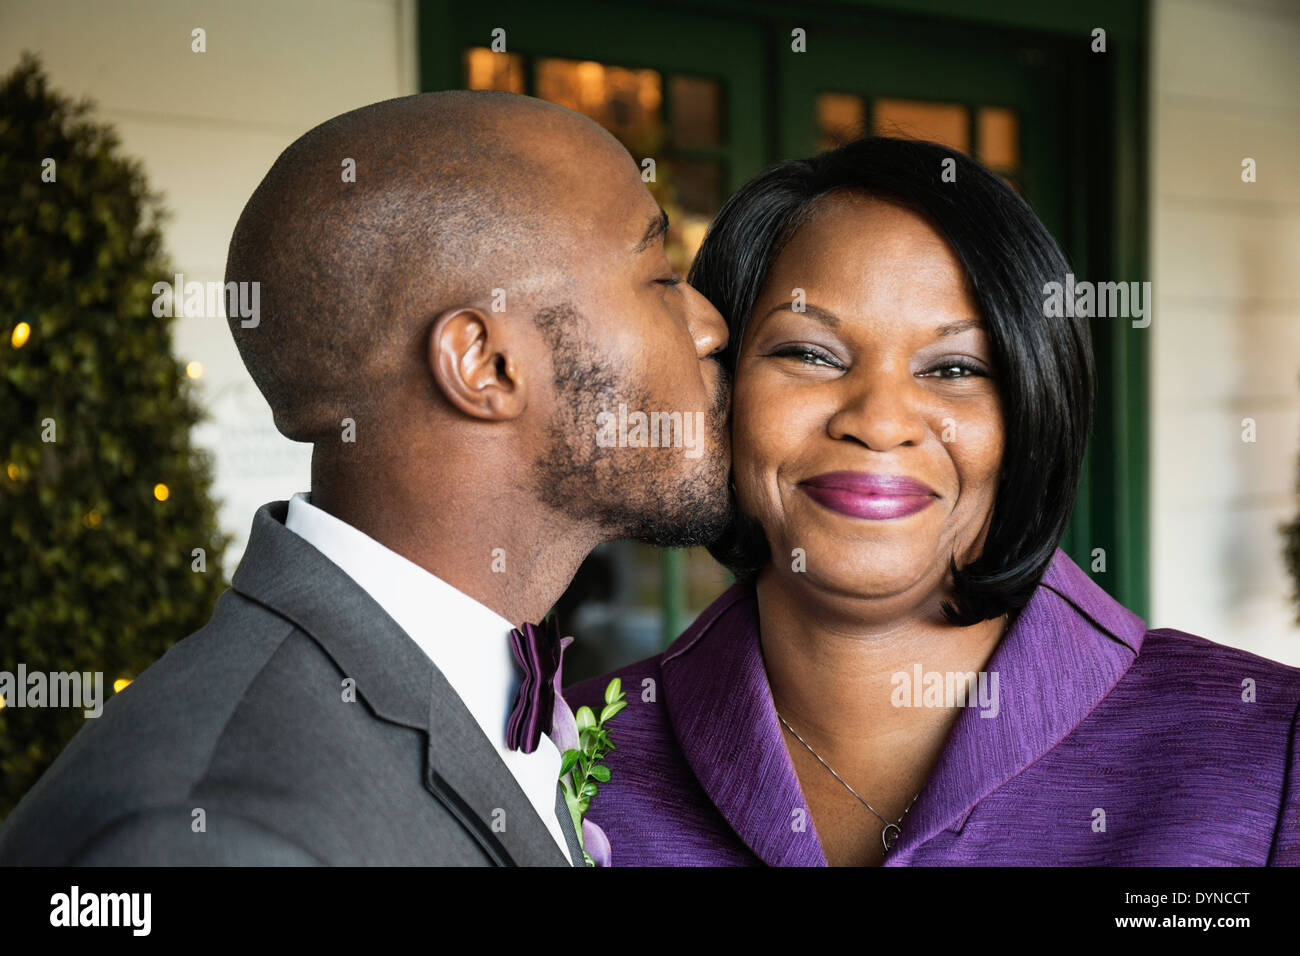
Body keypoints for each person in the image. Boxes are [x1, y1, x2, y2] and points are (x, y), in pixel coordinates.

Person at [0, 91, 731, 866]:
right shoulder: (218, 837)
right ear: (484, 365)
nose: (710, 325)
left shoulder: (483, 679)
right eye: (660, 277)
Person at [568, 136, 1300, 866]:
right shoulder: (565, 759)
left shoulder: (1270, 751)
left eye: (954, 367)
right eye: (810, 354)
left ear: (1034, 411)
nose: (880, 421)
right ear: (720, 388)